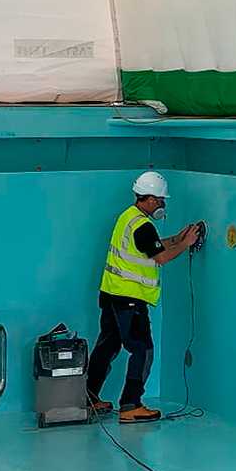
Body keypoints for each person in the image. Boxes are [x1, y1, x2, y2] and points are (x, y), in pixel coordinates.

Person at [86, 171, 202, 424]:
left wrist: (177, 239)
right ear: (148, 199)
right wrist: (185, 245)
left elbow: (150, 246)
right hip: (129, 299)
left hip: (111, 293)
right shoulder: (143, 226)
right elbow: (160, 257)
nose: (162, 205)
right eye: (160, 200)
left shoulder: (129, 217)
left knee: (107, 347)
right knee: (143, 350)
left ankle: (88, 398)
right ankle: (131, 405)